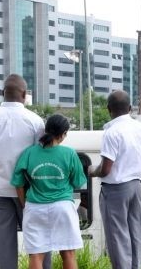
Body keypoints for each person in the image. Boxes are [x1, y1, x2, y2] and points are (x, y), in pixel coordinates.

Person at [0, 74, 51, 269]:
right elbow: (42, 155)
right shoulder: (36, 121)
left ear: (3, 93)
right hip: (31, 194)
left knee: (5, 250)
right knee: (39, 245)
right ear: (24, 94)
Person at [11, 114, 86, 269]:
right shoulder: (69, 153)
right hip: (63, 208)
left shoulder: (29, 153)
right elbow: (79, 182)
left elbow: (18, 183)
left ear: (46, 130)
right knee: (68, 254)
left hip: (35, 208)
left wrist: (25, 203)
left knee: (36, 255)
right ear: (63, 134)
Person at [89, 90, 141, 269]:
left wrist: (92, 171)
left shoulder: (112, 132)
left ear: (109, 109)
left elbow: (106, 169)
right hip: (136, 186)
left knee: (118, 237)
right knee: (135, 234)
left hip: (116, 190)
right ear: (130, 108)